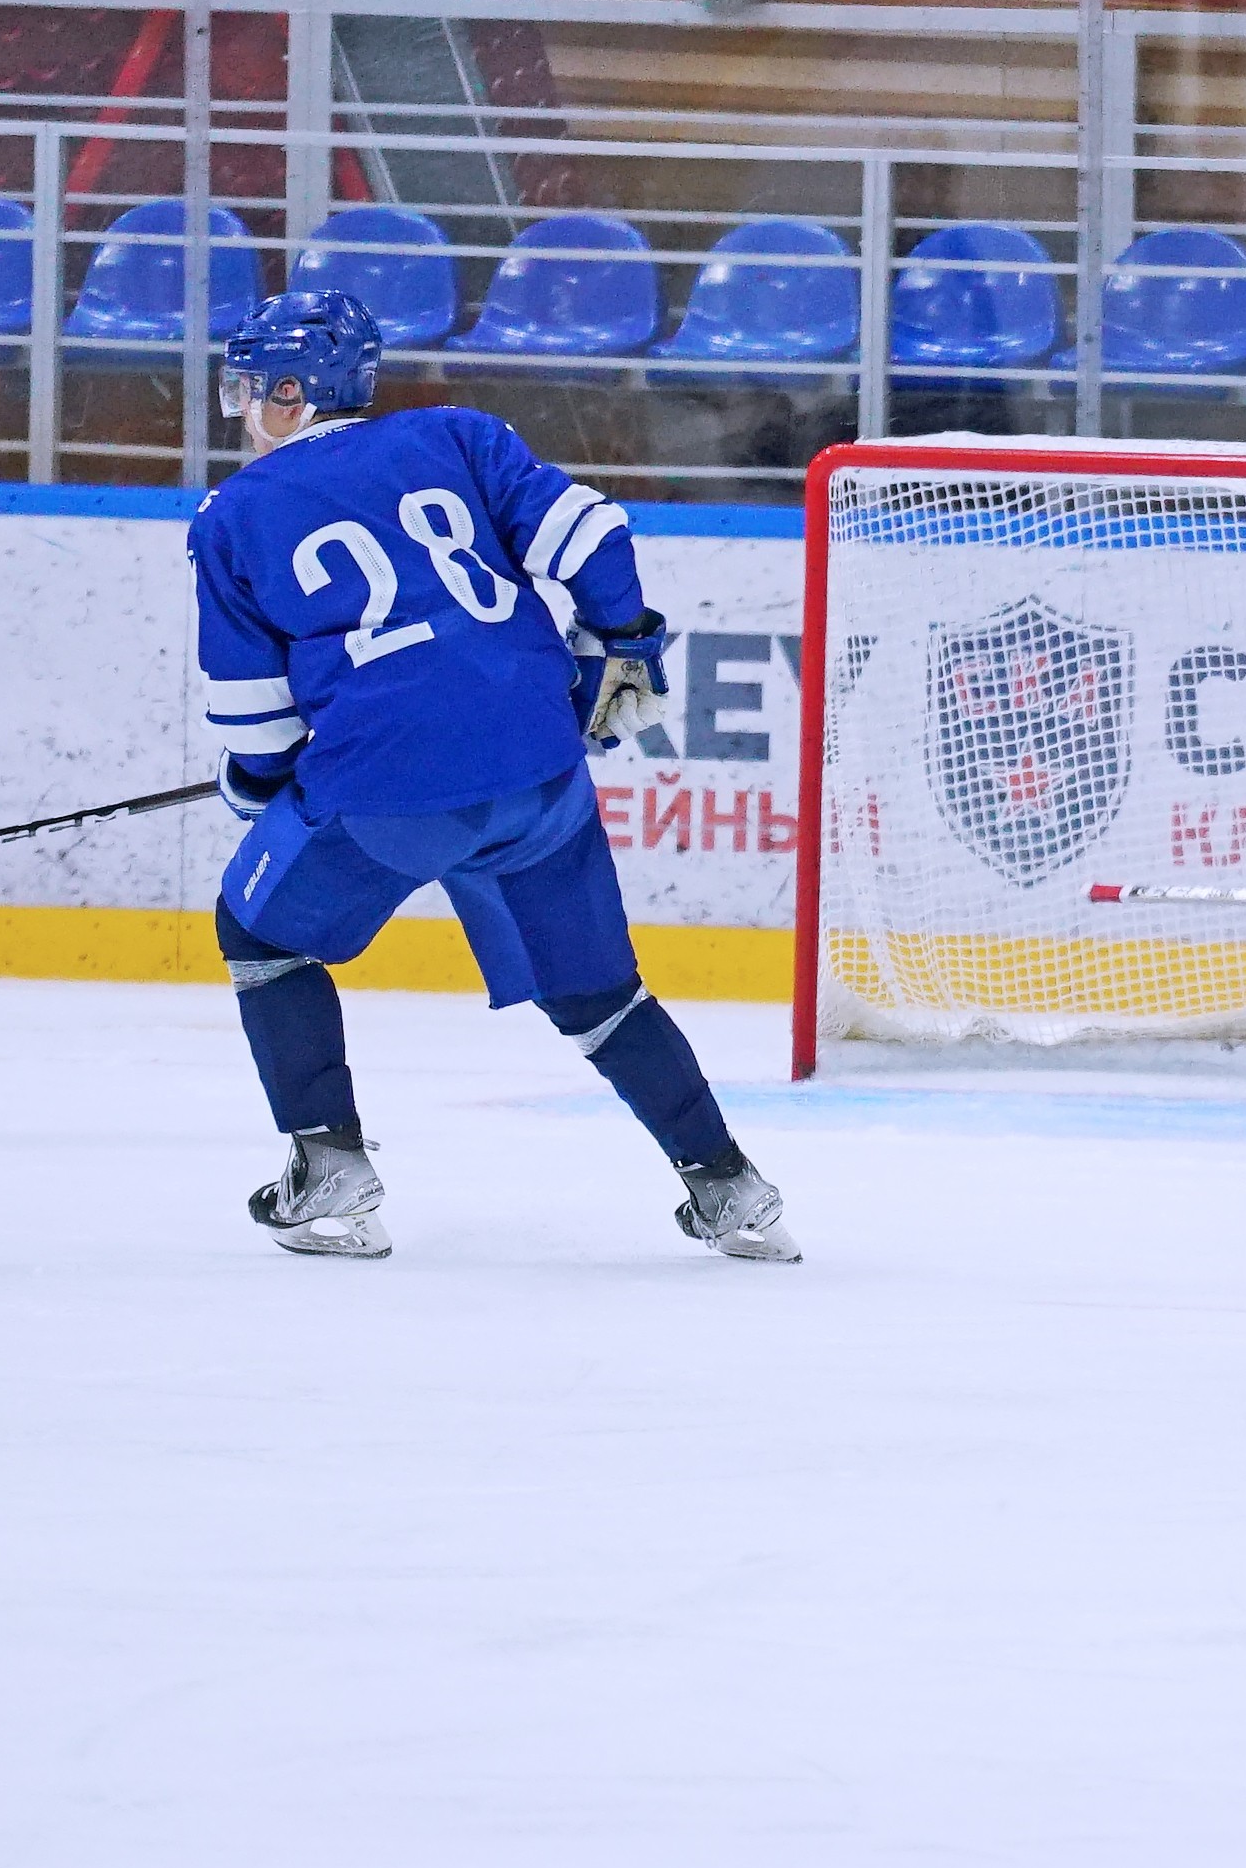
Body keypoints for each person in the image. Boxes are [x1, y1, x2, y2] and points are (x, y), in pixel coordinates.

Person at [188, 288, 796, 1263]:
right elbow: (592, 533)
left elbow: (257, 723)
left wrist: (259, 789)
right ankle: (730, 1185)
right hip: (537, 766)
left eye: (252, 391)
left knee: (257, 932)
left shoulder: (233, 515)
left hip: (384, 790)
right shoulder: (457, 435)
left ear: (293, 393)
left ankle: (330, 1166)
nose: (243, 412)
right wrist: (625, 640)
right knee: (601, 995)